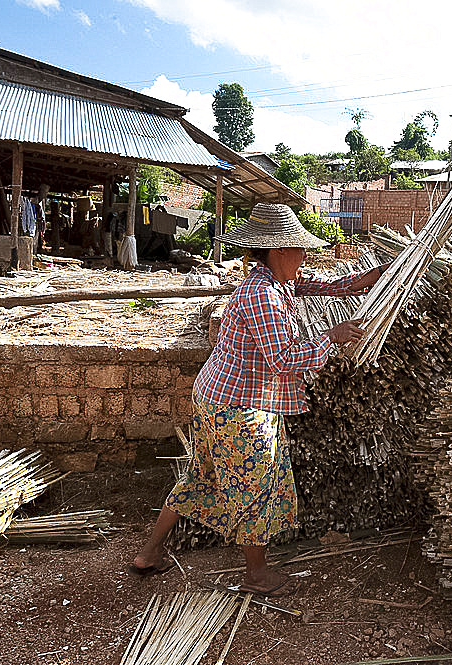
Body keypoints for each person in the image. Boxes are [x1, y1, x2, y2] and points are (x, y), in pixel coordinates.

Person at [129, 202, 389, 596]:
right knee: (256, 485)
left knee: (201, 476)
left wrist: (365, 280)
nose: (305, 257)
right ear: (279, 249)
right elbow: (283, 359)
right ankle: (256, 575)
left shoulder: (277, 281)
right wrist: (331, 338)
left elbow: (320, 285)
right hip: (238, 407)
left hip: (220, 398)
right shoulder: (262, 294)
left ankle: (148, 555)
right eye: (299, 250)